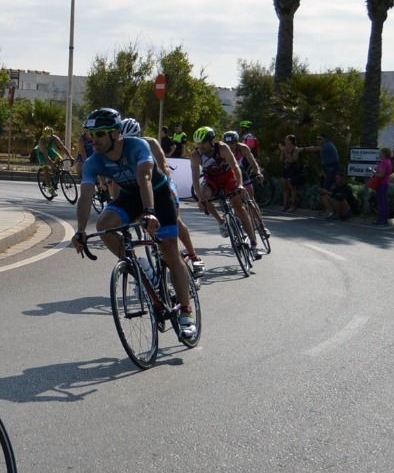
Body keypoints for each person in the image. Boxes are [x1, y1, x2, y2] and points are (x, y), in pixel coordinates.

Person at [73, 107, 197, 337]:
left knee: (169, 250)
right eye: (91, 134)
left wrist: (150, 212)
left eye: (99, 134)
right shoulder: (94, 162)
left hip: (158, 195)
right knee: (104, 225)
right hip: (131, 196)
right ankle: (140, 268)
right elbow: (86, 195)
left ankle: (186, 312)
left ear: (116, 134)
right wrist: (80, 231)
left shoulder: (137, 146)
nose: (94, 140)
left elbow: (145, 178)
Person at [122, 117, 203, 274]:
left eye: (133, 138)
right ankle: (159, 247)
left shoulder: (151, 143)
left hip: (162, 185)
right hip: (141, 189)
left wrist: (167, 189)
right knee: (143, 218)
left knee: (176, 221)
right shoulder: (120, 150)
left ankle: (193, 256)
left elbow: (165, 167)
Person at [192, 126, 263, 253]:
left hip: (228, 177)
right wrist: (199, 198)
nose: (199, 146)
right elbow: (195, 177)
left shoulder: (223, 148)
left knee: (239, 207)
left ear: (211, 141)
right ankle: (221, 221)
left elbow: (236, 168)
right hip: (211, 179)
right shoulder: (196, 155)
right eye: (197, 144)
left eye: (202, 143)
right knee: (204, 197)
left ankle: (253, 242)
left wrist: (240, 185)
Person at [279, 134, 303, 212]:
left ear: (291, 141)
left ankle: (293, 205)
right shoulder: (285, 149)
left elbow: (293, 160)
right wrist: (282, 152)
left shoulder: (295, 149)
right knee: (285, 187)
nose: (285, 141)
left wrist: (285, 152)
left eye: (287, 139)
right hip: (286, 169)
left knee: (292, 188)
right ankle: (285, 205)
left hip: (293, 170)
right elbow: (281, 159)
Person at [370, 146, 394, 225]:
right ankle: (385, 218)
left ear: (384, 153)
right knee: (384, 201)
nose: (380, 154)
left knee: (381, 201)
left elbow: (381, 174)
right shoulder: (389, 161)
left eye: (381, 152)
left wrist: (374, 172)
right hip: (386, 182)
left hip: (381, 183)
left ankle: (381, 219)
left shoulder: (383, 162)